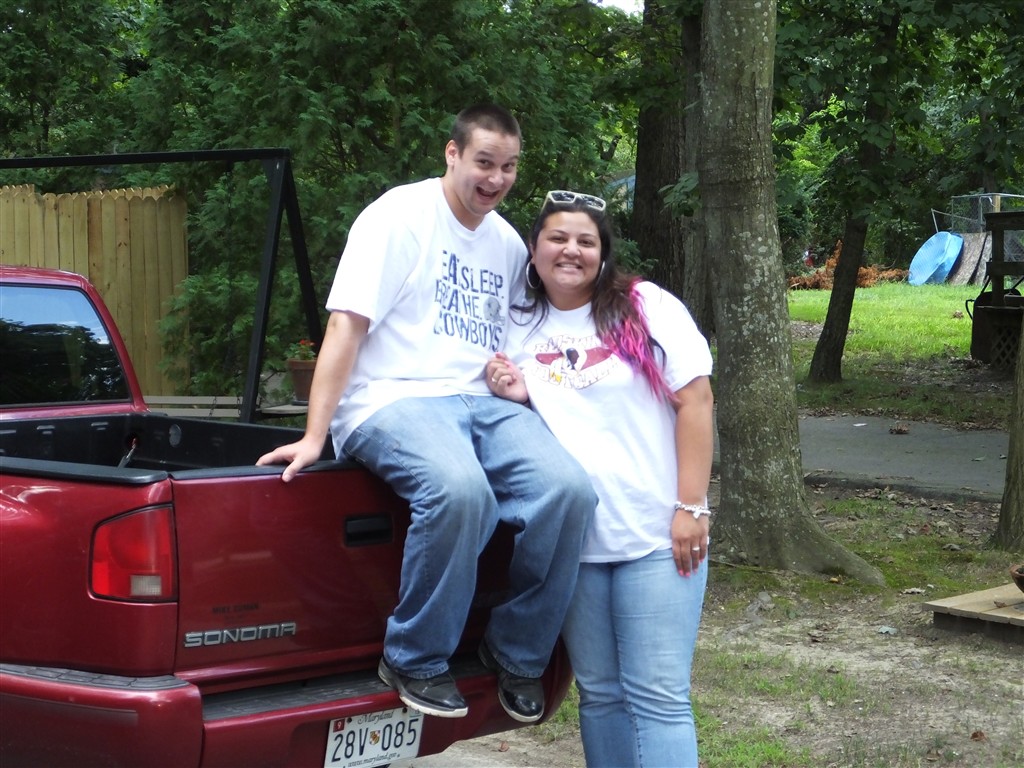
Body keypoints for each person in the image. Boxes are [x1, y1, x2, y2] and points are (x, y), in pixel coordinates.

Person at [256, 106, 594, 723]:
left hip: (481, 403)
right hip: (392, 398)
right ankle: (414, 656)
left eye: (509, 167)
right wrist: (314, 434)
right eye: (484, 162)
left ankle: (517, 652)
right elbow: (345, 326)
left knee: (570, 491)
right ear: (452, 153)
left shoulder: (506, 242)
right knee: (462, 491)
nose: (495, 179)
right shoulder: (397, 217)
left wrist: (512, 382)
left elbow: (516, 336)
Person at [486, 190, 714, 767]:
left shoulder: (645, 305)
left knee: (658, 697)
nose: (572, 250)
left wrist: (692, 506)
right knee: (601, 694)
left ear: (603, 253)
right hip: (574, 545)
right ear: (534, 249)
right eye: (558, 238)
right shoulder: (516, 323)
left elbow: (696, 400)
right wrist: (518, 395)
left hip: (656, 534)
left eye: (586, 241)